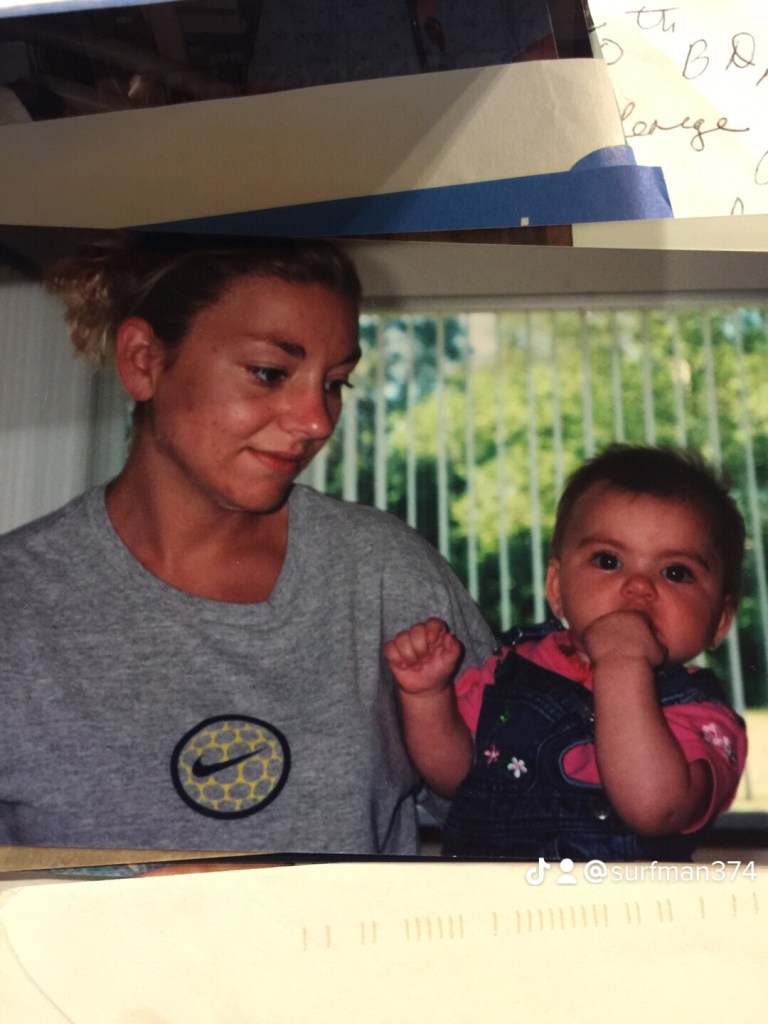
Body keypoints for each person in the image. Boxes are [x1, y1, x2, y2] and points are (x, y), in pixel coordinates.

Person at [0, 232, 494, 854]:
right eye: (269, 373)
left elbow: (524, 807)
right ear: (144, 361)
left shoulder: (382, 577)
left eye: (335, 382)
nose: (316, 420)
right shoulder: (17, 607)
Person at [384, 445, 748, 861]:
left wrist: (622, 663)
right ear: (557, 589)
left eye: (675, 572)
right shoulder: (511, 669)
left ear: (720, 620)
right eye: (608, 561)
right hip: (488, 895)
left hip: (618, 901)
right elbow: (455, 778)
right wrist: (428, 696)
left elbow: (654, 809)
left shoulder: (704, 719)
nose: (639, 587)